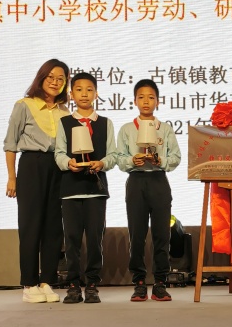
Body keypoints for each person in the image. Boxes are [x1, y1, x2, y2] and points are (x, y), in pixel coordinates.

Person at [4, 59, 70, 303]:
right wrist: (12, 177)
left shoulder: (65, 112)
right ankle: (29, 284)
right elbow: (10, 144)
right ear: (41, 77)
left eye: (61, 78)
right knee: (30, 225)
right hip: (32, 165)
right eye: (50, 77)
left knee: (54, 227)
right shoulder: (24, 105)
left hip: (58, 167)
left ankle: (47, 282)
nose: (55, 82)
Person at [54, 73, 117, 305]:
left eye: (89, 90)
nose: (84, 94)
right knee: (71, 240)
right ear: (71, 95)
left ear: (96, 94)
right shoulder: (64, 122)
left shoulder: (105, 123)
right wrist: (67, 163)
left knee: (94, 239)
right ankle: (73, 285)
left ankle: (92, 284)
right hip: (70, 190)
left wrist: (102, 163)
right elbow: (59, 153)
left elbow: (113, 154)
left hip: (96, 190)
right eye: (79, 90)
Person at [117, 79, 181, 302]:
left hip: (158, 181)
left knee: (162, 234)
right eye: (141, 97)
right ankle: (139, 283)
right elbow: (120, 159)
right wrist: (132, 160)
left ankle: (161, 282)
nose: (146, 101)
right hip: (136, 181)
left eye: (151, 97)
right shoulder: (127, 129)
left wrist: (160, 160)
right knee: (137, 234)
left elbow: (176, 157)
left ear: (158, 101)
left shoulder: (165, 129)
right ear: (134, 101)